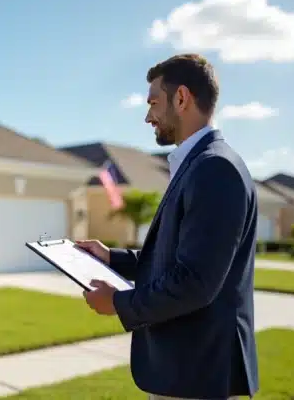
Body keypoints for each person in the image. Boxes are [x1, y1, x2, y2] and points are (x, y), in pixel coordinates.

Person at [77, 54, 259, 400]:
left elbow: (195, 282)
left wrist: (118, 302)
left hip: (199, 373)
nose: (148, 116)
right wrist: (111, 257)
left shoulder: (214, 169)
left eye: (153, 103)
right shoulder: (199, 164)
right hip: (189, 370)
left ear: (181, 98)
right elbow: (178, 256)